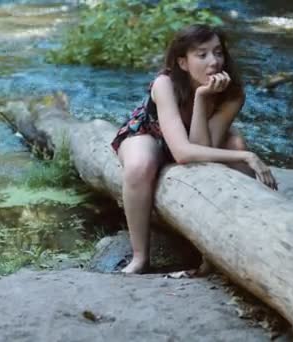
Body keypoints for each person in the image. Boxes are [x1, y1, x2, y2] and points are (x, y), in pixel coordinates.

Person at [111, 24, 277, 274]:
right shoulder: (164, 83)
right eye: (202, 55)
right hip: (151, 135)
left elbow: (200, 150)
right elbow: (182, 153)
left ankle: (223, 248)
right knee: (139, 165)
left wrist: (202, 99)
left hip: (193, 142)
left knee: (236, 143)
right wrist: (249, 156)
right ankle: (140, 257)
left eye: (218, 52)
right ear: (183, 62)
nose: (214, 61)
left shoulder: (233, 93)